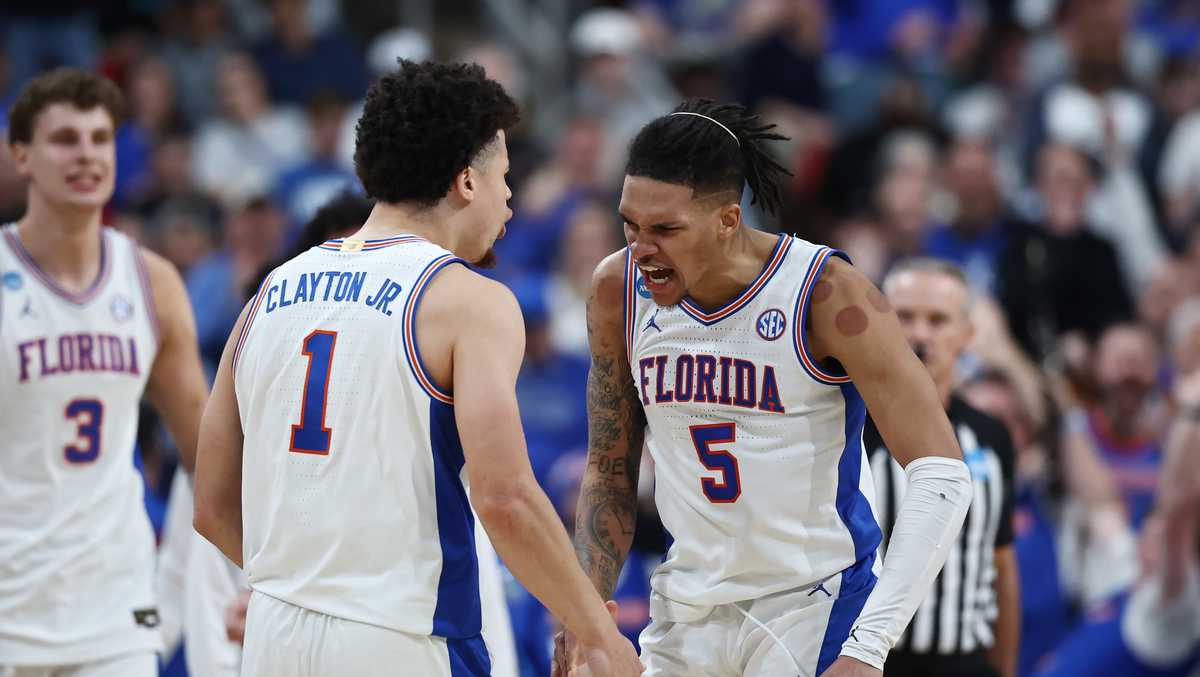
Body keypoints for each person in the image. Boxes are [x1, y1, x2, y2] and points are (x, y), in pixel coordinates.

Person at [192, 59, 641, 677]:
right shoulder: (470, 299)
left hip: (273, 634)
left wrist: (305, 588)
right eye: (504, 176)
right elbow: (505, 497)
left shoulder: (269, 290)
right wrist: (599, 635)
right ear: (465, 181)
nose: (509, 196)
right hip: (398, 639)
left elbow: (210, 508)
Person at [557, 99, 973, 677]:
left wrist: (869, 648)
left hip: (811, 605)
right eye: (630, 223)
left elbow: (943, 475)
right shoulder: (616, 290)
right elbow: (609, 467)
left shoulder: (827, 292)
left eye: (664, 230)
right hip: (687, 607)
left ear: (728, 219)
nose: (641, 248)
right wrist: (585, 617)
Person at [0, 68, 208, 675]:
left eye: (100, 138)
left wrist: (258, 573)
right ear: (22, 156)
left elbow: (207, 450)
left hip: (113, 609)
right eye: (65, 139)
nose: (86, 154)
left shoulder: (152, 282)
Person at [865, 259, 1019, 677]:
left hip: (964, 662)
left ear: (967, 335)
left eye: (937, 320)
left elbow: (1001, 560)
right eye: (906, 317)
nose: (919, 334)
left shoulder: (991, 437)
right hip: (872, 662)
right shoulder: (851, 429)